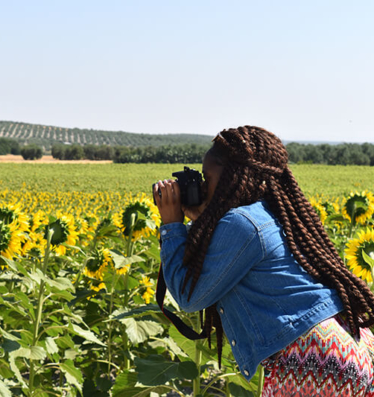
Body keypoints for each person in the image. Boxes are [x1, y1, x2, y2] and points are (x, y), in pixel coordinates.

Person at [153, 126, 374, 396]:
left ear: (233, 177)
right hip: (346, 349)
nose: (203, 187)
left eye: (207, 178)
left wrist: (171, 226)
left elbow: (190, 296)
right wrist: (202, 220)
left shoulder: (242, 223)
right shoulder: (268, 215)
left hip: (311, 360)